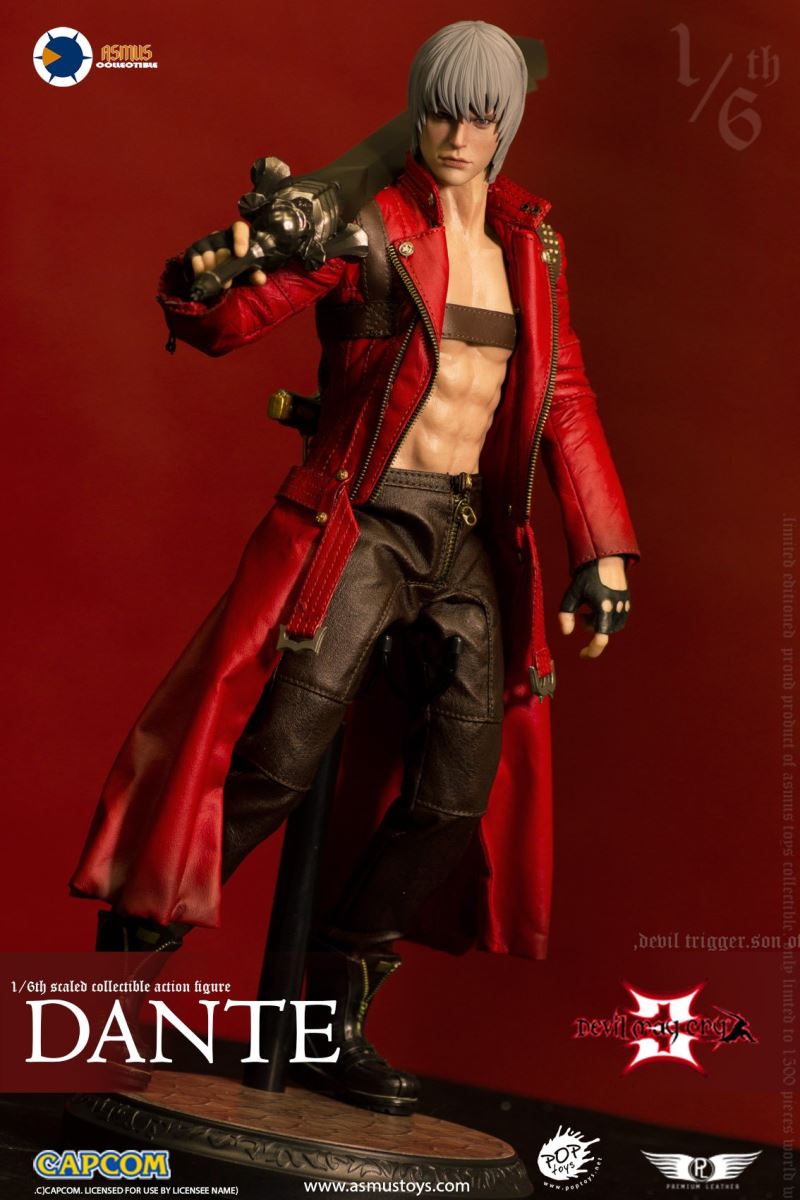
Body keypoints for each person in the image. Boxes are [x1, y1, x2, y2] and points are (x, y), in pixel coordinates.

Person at [69, 21, 639, 1115]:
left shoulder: (532, 246)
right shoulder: (364, 226)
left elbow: (562, 393)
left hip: (466, 537)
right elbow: (231, 317)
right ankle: (133, 951)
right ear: (418, 108)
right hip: (365, 518)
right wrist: (216, 269)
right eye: (441, 108)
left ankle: (332, 1015)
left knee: (456, 794)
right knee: (278, 756)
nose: (457, 132)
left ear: (506, 123)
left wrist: (602, 548)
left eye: (480, 114)